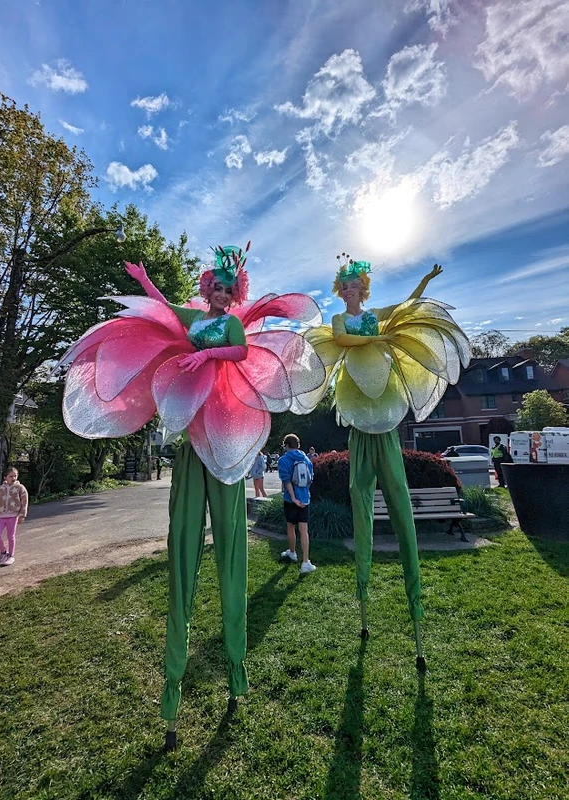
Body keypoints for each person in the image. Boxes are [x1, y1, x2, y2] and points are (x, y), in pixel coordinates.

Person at [57, 242, 324, 750]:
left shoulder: (230, 325)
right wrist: (143, 281)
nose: (222, 296)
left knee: (230, 554)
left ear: (235, 293)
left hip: (222, 445)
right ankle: (172, 688)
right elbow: (164, 310)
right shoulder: (196, 316)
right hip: (187, 450)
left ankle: (236, 669)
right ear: (208, 289)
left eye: (229, 289)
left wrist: (204, 353)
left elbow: (241, 352)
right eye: (216, 288)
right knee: (181, 553)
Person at [304, 255, 469, 668]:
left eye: (355, 285)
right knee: (361, 500)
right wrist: (378, 342)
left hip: (387, 415)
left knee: (398, 500)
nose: (350, 291)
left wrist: (425, 281)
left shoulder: (377, 315)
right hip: (359, 416)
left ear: (364, 287)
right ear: (340, 291)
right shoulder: (342, 322)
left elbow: (405, 309)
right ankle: (362, 595)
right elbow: (344, 342)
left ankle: (414, 601)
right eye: (344, 286)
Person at [279, 433, 316, 574]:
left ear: (287, 446)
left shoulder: (283, 460)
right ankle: (306, 562)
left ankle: (293, 552)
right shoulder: (307, 459)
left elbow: (286, 481)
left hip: (290, 499)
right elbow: (310, 479)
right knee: (304, 530)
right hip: (305, 499)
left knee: (290, 526)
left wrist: (293, 498)